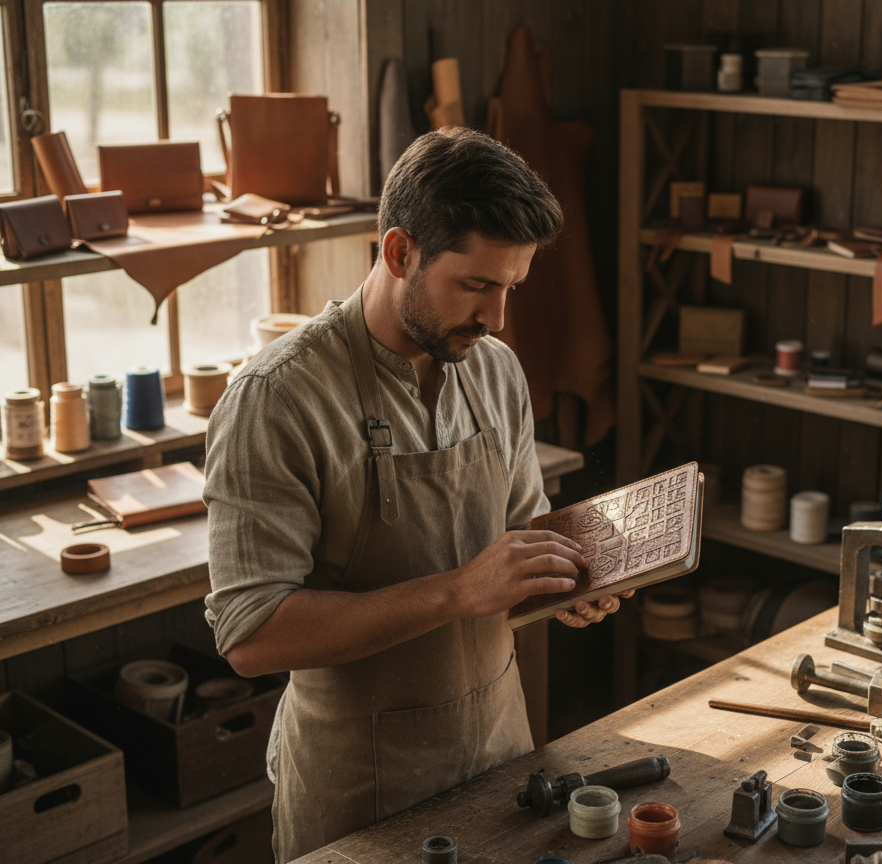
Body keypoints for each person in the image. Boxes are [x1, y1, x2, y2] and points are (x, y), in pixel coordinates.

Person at [203, 127, 628, 863]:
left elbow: (518, 543)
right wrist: (460, 591)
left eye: (511, 289)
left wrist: (568, 581)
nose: (498, 319)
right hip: (360, 790)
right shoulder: (277, 398)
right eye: (476, 286)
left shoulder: (494, 371)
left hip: (501, 757)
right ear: (400, 253)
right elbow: (253, 633)